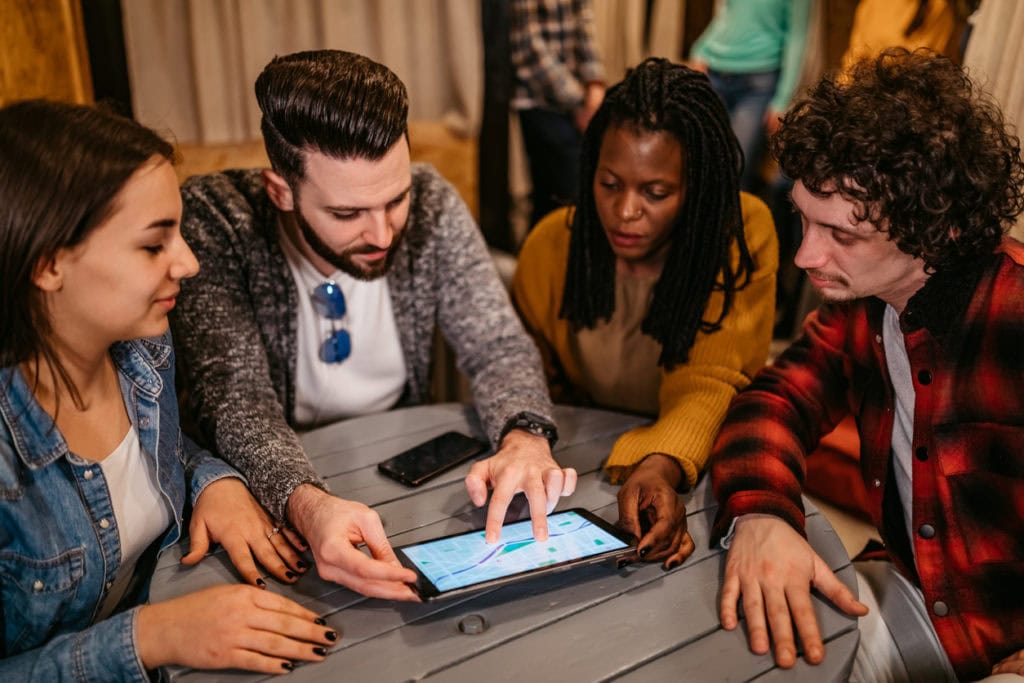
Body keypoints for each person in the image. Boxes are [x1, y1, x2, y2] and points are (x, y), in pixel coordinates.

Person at [170, 50, 576, 602]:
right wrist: (306, 503)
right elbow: (236, 398)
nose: (384, 234)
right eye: (347, 214)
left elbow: (495, 343)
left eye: (396, 199)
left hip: (410, 482)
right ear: (280, 190)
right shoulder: (218, 219)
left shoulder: (431, 199)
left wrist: (525, 435)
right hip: (279, 489)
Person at [708, 48, 1024, 682]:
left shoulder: (1013, 317)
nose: (805, 256)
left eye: (840, 235)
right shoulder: (865, 304)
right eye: (804, 221)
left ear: (935, 230)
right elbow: (775, 399)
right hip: (908, 595)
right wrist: (762, 513)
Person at [0, 100, 338, 678]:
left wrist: (213, 481)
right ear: (48, 263)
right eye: (154, 245)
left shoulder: (142, 348)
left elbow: (155, 452)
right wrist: (152, 635)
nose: (188, 263)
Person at [512, 58, 778, 569]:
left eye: (656, 193)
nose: (626, 210)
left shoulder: (738, 235)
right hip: (571, 470)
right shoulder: (551, 245)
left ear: (695, 188)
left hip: (686, 462)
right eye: (609, 184)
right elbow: (530, 377)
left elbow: (711, 379)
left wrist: (660, 465)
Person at [689, 0, 812, 194]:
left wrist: (783, 99)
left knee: (736, 168)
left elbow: (797, 38)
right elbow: (727, 15)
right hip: (714, 73)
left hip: (757, 84)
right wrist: (699, 50)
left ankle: (734, 224)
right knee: (700, 162)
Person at [510, 0, 606, 227]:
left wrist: (594, 83)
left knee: (556, 197)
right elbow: (529, 49)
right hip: (537, 100)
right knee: (566, 194)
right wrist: (579, 101)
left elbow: (585, 27)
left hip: (578, 96)